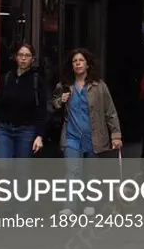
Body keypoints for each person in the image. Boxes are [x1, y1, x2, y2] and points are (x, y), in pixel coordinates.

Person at [49, 49, 122, 215]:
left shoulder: (99, 86)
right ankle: (69, 206)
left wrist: (116, 135)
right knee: (72, 171)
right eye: (75, 61)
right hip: (72, 136)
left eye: (81, 60)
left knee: (91, 172)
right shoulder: (65, 86)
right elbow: (52, 104)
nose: (78, 63)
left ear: (87, 64)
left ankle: (90, 203)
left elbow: (110, 111)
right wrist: (61, 100)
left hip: (93, 136)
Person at [0, 43, 47, 158]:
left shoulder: (37, 80)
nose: (23, 58)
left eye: (27, 55)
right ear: (16, 57)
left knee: (22, 169)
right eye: (21, 55)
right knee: (3, 165)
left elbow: (42, 110)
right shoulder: (6, 78)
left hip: (26, 130)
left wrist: (39, 135)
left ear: (32, 59)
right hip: (4, 128)